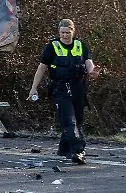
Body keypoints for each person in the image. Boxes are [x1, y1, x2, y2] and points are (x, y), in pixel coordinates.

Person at [28, 19, 99, 164]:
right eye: (62, 33)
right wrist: (33, 88)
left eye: (68, 32)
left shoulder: (81, 46)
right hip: (60, 88)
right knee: (68, 119)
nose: (65, 35)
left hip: (78, 87)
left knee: (77, 120)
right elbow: (42, 68)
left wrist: (93, 73)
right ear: (59, 32)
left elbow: (89, 64)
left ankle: (64, 148)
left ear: (73, 31)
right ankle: (79, 151)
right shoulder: (52, 47)